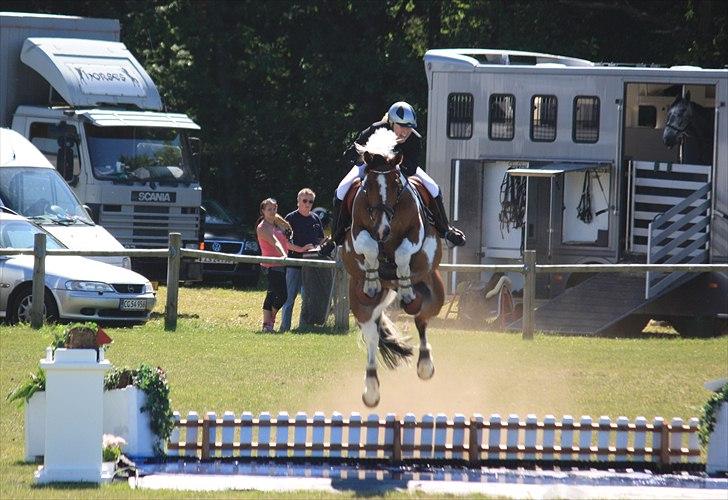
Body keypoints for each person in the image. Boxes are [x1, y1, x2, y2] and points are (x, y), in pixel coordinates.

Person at [319, 101, 466, 257]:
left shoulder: (414, 139)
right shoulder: (376, 129)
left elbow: (411, 167)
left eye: (409, 127)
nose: (405, 131)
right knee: (341, 190)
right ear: (391, 123)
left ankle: (446, 229)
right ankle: (335, 237)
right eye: (401, 126)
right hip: (371, 167)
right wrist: (363, 158)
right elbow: (350, 154)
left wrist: (392, 166)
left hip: (400, 169)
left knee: (434, 187)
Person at [279, 188, 325, 332]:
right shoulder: (290, 218)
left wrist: (323, 244)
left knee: (308, 299)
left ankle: (303, 327)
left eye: (310, 201)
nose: (307, 204)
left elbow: (320, 239)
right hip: (293, 263)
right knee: (289, 298)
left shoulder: (316, 219)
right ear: (298, 201)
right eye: (304, 201)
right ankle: (284, 328)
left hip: (311, 266)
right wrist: (300, 249)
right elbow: (283, 242)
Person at [255, 198, 303, 332]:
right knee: (282, 295)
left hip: (280, 264)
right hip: (270, 265)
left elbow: (286, 236)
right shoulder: (263, 227)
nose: (272, 211)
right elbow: (275, 242)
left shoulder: (276, 223)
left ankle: (267, 325)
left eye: (274, 208)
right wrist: (284, 256)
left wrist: (298, 247)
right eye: (269, 209)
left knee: (271, 294)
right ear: (263, 211)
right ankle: (270, 321)